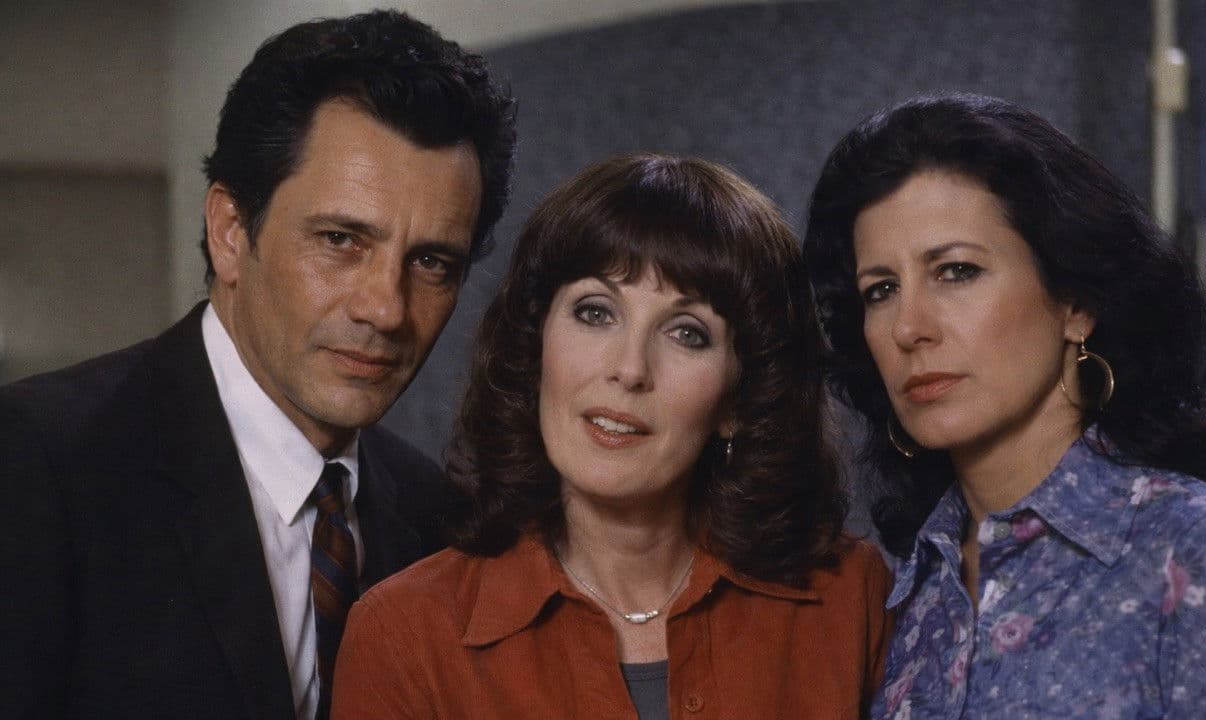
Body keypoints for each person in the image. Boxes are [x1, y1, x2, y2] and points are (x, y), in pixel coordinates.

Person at [0, 10, 515, 720]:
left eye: (431, 262)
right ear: (230, 232)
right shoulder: (36, 462)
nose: (386, 309)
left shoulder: (437, 516)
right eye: (341, 240)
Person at [331, 153, 892, 719]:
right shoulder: (404, 635)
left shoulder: (851, 596)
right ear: (535, 351)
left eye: (687, 334)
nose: (629, 369)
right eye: (596, 312)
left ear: (739, 401)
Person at [803, 93, 1206, 719]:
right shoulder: (915, 598)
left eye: (956, 271)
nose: (908, 328)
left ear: (1075, 303)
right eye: (881, 289)